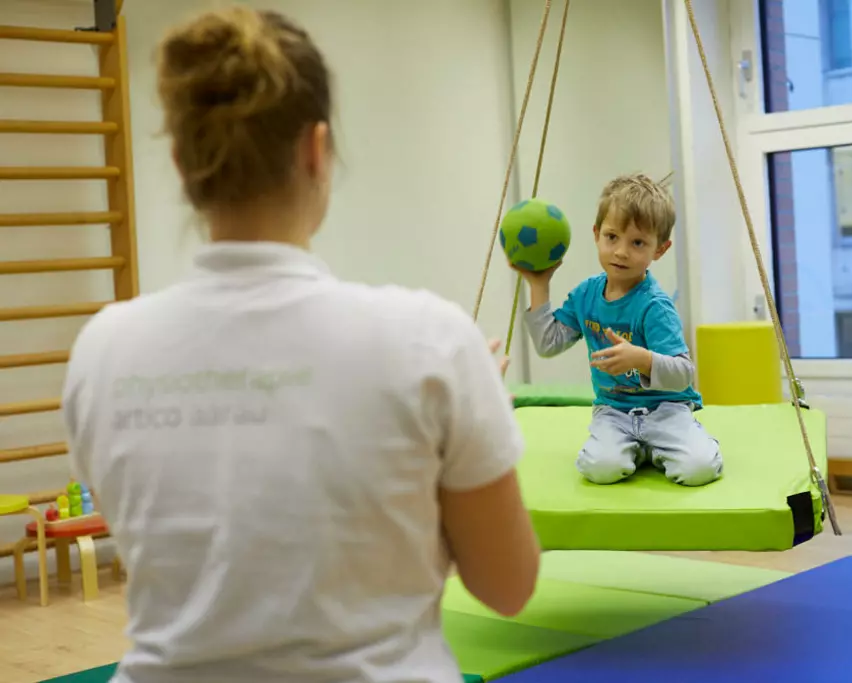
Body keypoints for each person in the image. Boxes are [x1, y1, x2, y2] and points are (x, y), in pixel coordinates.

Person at [60, 6, 539, 682]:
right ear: (317, 150)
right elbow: (508, 585)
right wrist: (465, 419)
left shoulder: (102, 350)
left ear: (182, 165)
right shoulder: (431, 342)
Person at [512, 174, 723, 487]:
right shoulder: (586, 295)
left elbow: (683, 374)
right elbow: (549, 343)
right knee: (600, 469)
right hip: (614, 412)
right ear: (596, 234)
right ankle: (642, 450)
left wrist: (642, 359)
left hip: (666, 410)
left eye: (637, 242)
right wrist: (539, 285)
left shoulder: (655, 306)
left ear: (660, 249)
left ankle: (669, 445)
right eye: (612, 237)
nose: (621, 251)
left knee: (699, 469)